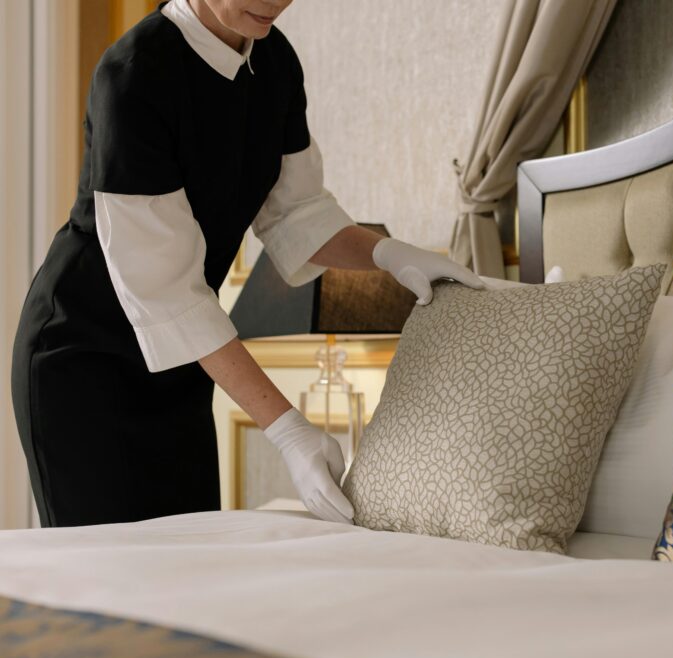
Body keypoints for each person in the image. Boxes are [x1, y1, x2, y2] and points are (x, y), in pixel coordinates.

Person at [10, 0, 483, 528]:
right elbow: (168, 291)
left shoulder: (275, 62)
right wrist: (286, 429)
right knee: (107, 584)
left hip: (187, 367)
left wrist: (391, 256)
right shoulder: (136, 74)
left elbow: (297, 215)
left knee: (190, 565)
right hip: (84, 360)